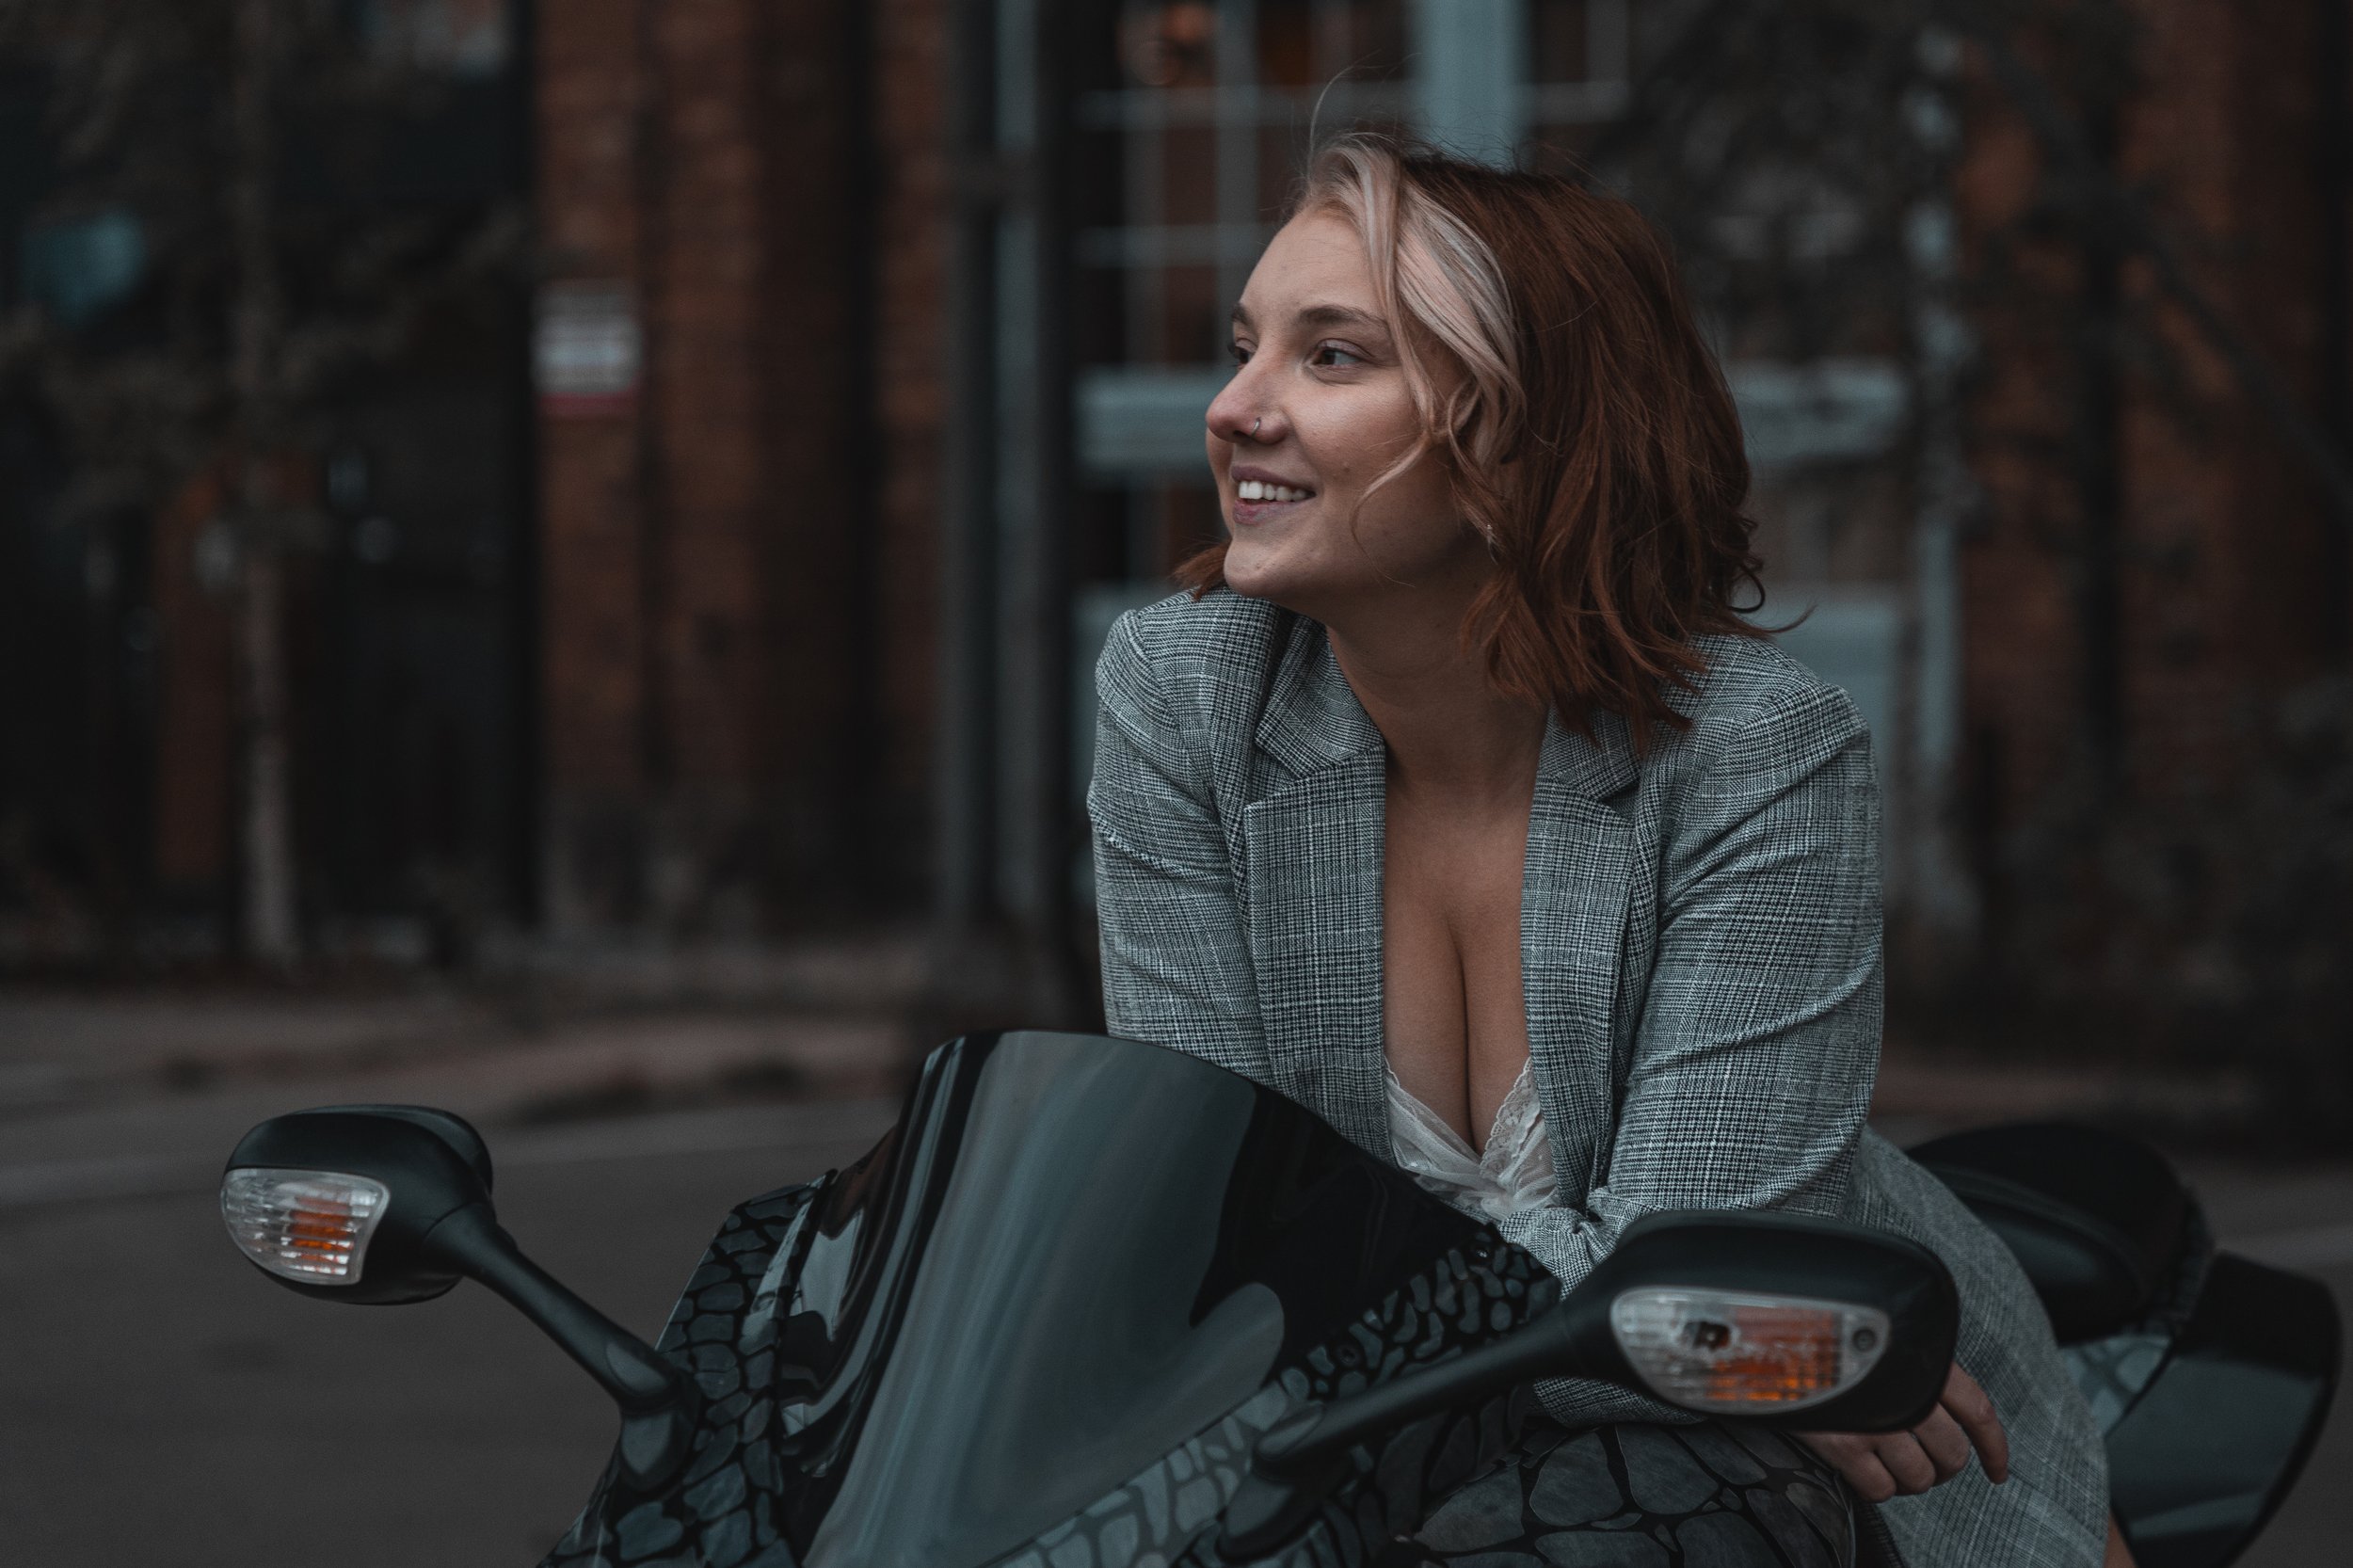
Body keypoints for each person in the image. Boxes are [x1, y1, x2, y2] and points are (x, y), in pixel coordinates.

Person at [1086, 132, 2121, 1567]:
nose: (1231, 408)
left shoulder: (1755, 752)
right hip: (1338, 1475)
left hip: (1828, 1479)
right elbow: (1204, 1237)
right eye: (1245, 344)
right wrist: (1651, 1337)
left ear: (1519, 440)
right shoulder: (1184, 695)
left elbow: (1691, 1287)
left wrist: (1695, 1342)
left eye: (1332, 359)